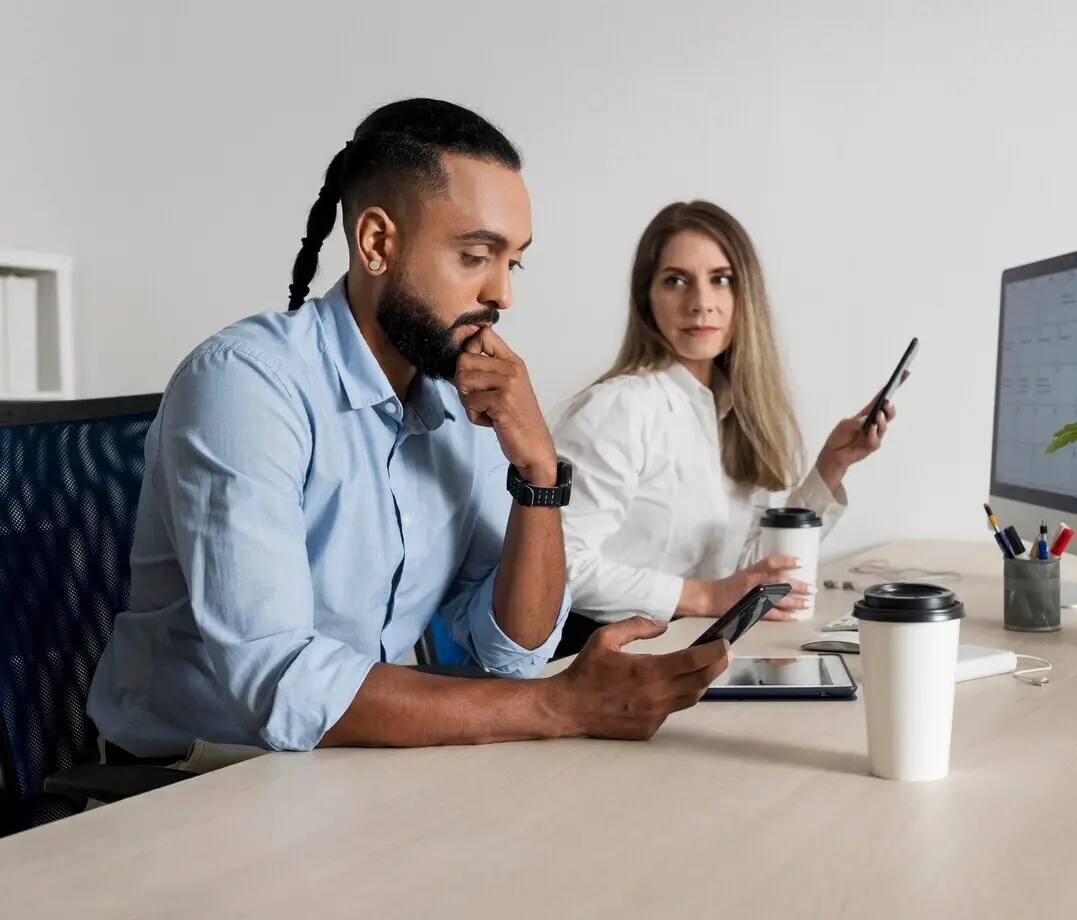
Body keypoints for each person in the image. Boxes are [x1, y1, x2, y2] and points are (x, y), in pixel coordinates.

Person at [85, 99, 730, 764]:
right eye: (477, 255)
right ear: (376, 243)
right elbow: (278, 684)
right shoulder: (246, 384)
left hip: (348, 759)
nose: (502, 294)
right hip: (195, 775)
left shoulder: (459, 397)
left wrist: (539, 471)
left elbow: (509, 652)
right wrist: (559, 706)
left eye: (514, 262)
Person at [550, 200, 898, 659]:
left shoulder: (728, 411)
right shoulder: (618, 409)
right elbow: (558, 568)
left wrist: (831, 467)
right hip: (594, 660)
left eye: (721, 279)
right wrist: (707, 597)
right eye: (676, 281)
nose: (701, 303)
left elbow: (742, 570)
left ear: (744, 295)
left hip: (684, 647)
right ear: (646, 298)